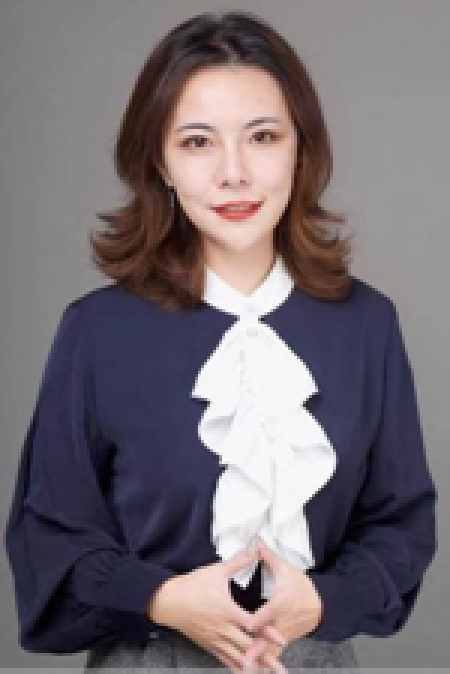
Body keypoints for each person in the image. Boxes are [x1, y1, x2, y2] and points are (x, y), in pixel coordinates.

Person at [4, 10, 437, 673]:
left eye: (262, 137)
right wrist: (163, 598)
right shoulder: (97, 331)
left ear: (300, 149)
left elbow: (401, 524)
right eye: (198, 142)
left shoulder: (365, 324)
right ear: (161, 162)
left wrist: (321, 601)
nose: (234, 173)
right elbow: (48, 540)